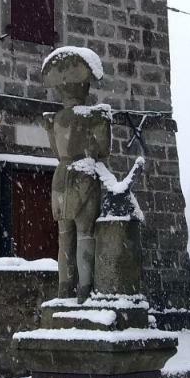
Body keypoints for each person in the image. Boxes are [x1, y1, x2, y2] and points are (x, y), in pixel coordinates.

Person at [41, 48, 110, 303]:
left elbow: (56, 151)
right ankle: (84, 288)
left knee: (64, 236)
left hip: (61, 177)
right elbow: (103, 150)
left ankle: (64, 286)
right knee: (85, 234)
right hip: (83, 174)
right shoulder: (92, 116)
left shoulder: (56, 119)